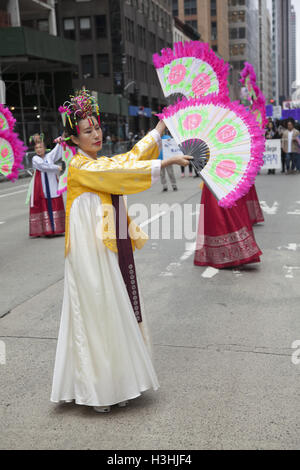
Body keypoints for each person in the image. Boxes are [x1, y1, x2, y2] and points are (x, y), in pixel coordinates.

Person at [50, 90, 192, 413]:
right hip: (88, 254)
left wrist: (158, 129)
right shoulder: (78, 167)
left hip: (104, 250)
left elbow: (126, 160)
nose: (96, 134)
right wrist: (166, 161)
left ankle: (114, 381)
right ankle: (98, 389)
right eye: (88, 130)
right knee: (96, 310)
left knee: (110, 308)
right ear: (74, 137)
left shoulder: (96, 162)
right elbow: (119, 174)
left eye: (97, 127)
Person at [194, 184, 262, 269]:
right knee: (219, 213)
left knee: (230, 212)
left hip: (226, 179)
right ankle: (229, 254)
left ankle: (233, 253)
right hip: (215, 179)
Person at [26, 134, 65, 237]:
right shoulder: (35, 159)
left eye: (41, 147)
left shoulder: (49, 156)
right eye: (37, 148)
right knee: (45, 205)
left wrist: (62, 139)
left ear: (45, 148)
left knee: (54, 202)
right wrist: (57, 167)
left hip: (52, 184)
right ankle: (47, 230)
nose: (39, 150)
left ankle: (56, 229)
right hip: (41, 187)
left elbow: (58, 150)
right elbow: (44, 167)